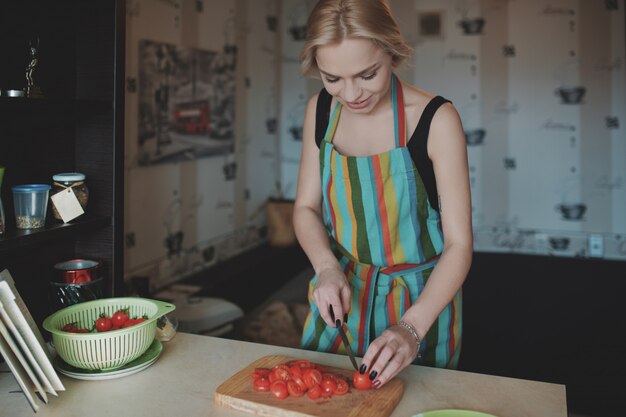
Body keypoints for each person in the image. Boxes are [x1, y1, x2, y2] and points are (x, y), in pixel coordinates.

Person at [293, 0, 473, 389]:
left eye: (367, 74)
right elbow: (305, 208)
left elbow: (460, 246)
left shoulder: (435, 120)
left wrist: (411, 328)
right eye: (332, 78)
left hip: (422, 310)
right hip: (341, 302)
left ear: (392, 52)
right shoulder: (320, 110)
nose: (351, 93)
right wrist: (326, 267)